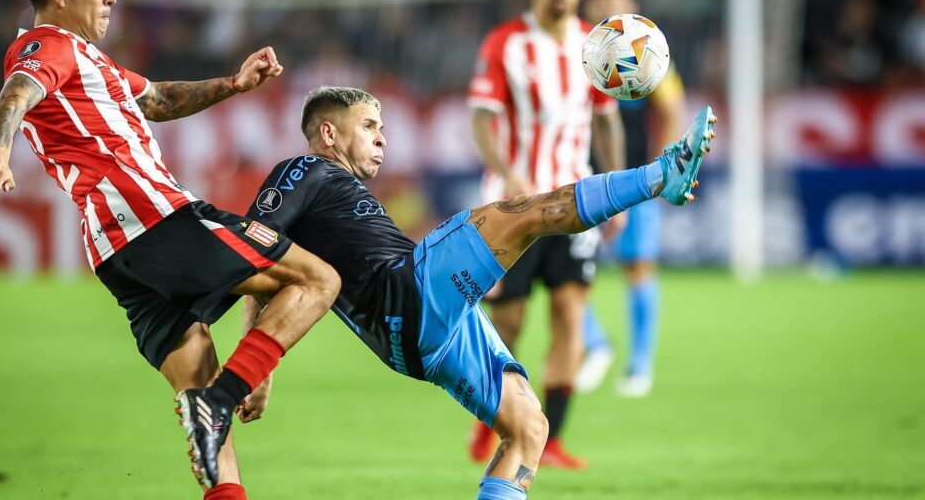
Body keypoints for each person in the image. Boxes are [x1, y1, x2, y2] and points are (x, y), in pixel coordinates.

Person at [0, 0, 340, 499]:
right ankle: (224, 397)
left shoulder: (89, 62)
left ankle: (216, 430)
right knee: (318, 278)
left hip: (117, 252)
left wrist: (232, 85)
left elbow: (157, 100)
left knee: (199, 379)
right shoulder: (45, 46)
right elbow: (14, 93)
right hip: (154, 217)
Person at [239, 85, 714, 499]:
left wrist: (263, 365)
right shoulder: (301, 169)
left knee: (529, 429)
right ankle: (659, 176)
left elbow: (273, 267)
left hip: (414, 346)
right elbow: (253, 253)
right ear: (327, 133)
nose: (382, 137)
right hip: (409, 292)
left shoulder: (337, 195)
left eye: (381, 126)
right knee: (524, 213)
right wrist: (258, 366)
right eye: (368, 126)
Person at [466, 0, 625, 469]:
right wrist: (510, 173)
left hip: (576, 203)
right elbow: (483, 121)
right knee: (506, 321)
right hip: (513, 205)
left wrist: (615, 193)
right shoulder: (506, 43)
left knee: (569, 314)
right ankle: (493, 416)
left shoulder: (594, 45)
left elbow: (605, 120)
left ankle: (550, 437)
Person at [573, 0, 688, 398]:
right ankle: (596, 344)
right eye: (603, 3)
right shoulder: (572, 51)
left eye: (619, 3)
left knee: (637, 266)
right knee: (563, 271)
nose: (611, 9)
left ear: (634, 8)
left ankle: (639, 365)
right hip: (575, 175)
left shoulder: (649, 52)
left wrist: (662, 169)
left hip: (633, 179)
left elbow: (674, 110)